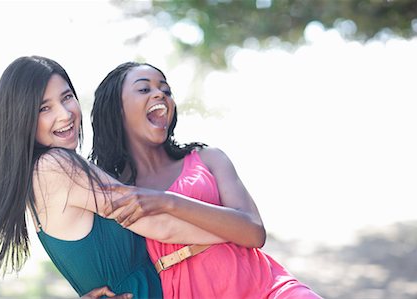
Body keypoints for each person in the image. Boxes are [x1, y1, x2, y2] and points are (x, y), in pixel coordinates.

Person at [0, 56, 225, 299]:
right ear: (22, 118)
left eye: (67, 97)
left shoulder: (40, 174)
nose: (65, 114)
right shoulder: (55, 166)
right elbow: (159, 225)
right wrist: (234, 232)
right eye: (44, 108)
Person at [90, 61, 324, 299]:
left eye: (166, 90)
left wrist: (169, 201)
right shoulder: (114, 192)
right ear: (116, 109)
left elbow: (254, 232)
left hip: (268, 288)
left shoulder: (208, 158)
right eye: (144, 89)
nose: (160, 93)